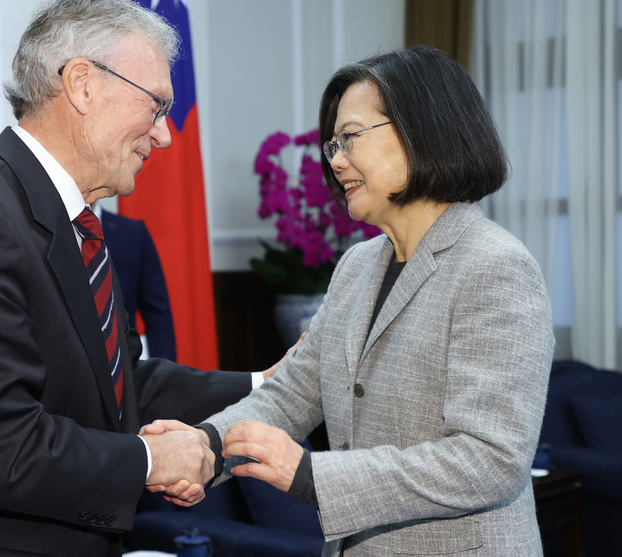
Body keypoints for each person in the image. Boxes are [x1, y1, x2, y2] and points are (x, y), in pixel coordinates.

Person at [0, 0, 273, 556]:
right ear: (83, 85)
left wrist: (269, 381)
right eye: (156, 105)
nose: (164, 133)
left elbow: (116, 383)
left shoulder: (71, 218)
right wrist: (150, 461)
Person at [145, 46, 555, 555]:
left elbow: (489, 460)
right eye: (332, 144)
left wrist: (312, 476)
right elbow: (293, 393)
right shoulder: (357, 266)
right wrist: (206, 446)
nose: (335, 160)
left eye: (351, 138)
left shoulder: (494, 267)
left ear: (421, 131)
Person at [95, 202, 177, 360]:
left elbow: (158, 316)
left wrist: (164, 375)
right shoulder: (49, 229)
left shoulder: (132, 233)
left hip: (124, 366)